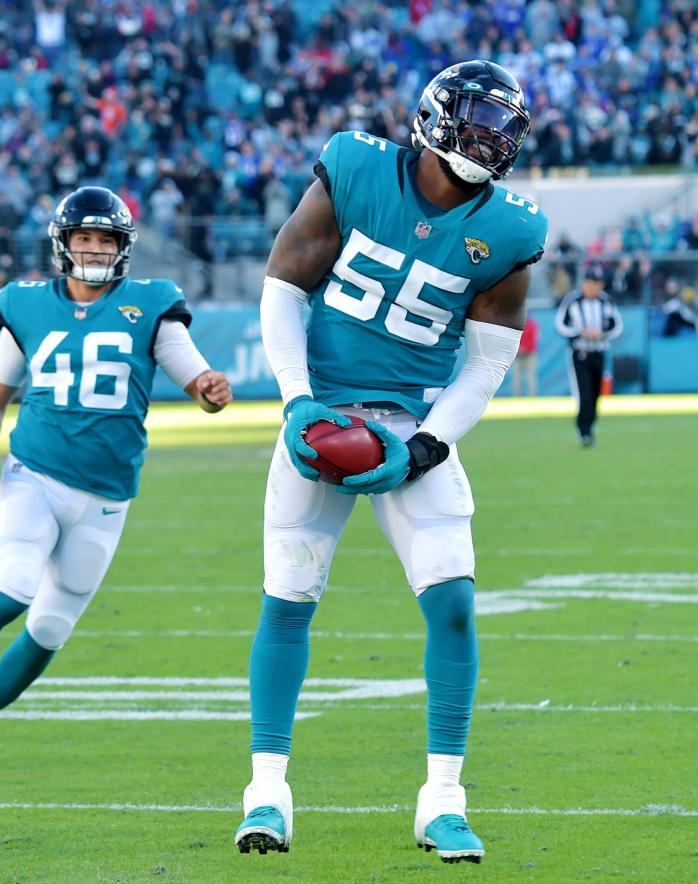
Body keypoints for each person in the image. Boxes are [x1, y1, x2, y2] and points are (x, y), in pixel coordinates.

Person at [240, 61, 547, 864]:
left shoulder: (510, 229)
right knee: (289, 599)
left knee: (452, 601)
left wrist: (423, 446)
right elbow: (283, 288)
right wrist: (299, 401)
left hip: (411, 416)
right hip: (323, 412)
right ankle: (265, 793)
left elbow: (485, 364)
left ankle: (442, 801)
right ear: (436, 118)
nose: (493, 138)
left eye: (505, 125)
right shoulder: (354, 166)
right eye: (479, 119)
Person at [0, 185, 233, 767]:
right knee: (11, 588)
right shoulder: (29, 305)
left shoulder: (151, 303)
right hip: (36, 472)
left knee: (50, 629)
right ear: (63, 243)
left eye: (105, 240)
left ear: (123, 247)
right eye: (84, 238)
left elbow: (197, 382)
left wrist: (210, 391)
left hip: (107, 492)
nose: (94, 249)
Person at [554, 264, 622, 446]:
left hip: (599, 351)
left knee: (596, 392)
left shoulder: (605, 301)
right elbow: (560, 325)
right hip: (580, 351)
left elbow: (616, 325)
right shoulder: (573, 301)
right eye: (592, 282)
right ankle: (583, 430)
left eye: (598, 283)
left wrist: (602, 333)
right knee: (584, 392)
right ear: (584, 283)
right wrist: (579, 332)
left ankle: (590, 426)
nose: (594, 287)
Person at [511, 315, 539, 396]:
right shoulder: (516, 324)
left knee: (530, 377)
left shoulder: (532, 325)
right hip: (518, 355)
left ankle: (532, 396)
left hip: (529, 354)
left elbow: (534, 339)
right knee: (516, 377)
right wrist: (518, 348)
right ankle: (516, 396)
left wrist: (525, 347)